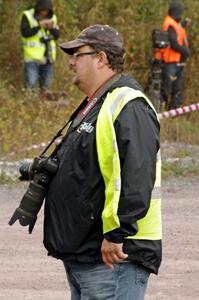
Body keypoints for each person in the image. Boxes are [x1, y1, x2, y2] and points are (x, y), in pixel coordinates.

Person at [43, 24, 162, 300]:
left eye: (77, 54)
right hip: (87, 255)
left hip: (113, 257)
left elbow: (137, 176)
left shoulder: (128, 104)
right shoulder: (95, 105)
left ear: (101, 58)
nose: (71, 63)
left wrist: (117, 234)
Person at [155, 1, 191, 110]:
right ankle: (160, 108)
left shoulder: (175, 23)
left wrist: (184, 23)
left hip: (177, 61)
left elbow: (178, 30)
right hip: (170, 61)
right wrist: (186, 51)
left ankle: (174, 108)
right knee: (166, 87)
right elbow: (173, 43)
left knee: (176, 87)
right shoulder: (170, 23)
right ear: (178, 11)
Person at [20, 0, 59, 91]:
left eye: (46, 11)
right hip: (32, 58)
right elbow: (25, 33)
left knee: (46, 87)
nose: (44, 13)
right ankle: (30, 103)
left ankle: (42, 103)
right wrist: (39, 26)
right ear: (38, 9)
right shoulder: (27, 16)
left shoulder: (53, 18)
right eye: (42, 10)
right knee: (31, 85)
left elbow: (56, 36)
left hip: (48, 57)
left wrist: (51, 28)